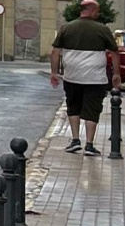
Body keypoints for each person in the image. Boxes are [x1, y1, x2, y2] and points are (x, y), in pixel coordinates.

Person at [49, 8, 118, 157]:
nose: (98, 13)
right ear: (91, 12)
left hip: (72, 77)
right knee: (92, 110)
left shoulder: (66, 28)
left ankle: (75, 140)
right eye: (97, 10)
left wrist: (54, 72)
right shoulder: (102, 29)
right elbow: (114, 51)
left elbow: (55, 52)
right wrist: (116, 73)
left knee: (73, 106)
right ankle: (89, 144)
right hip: (95, 78)